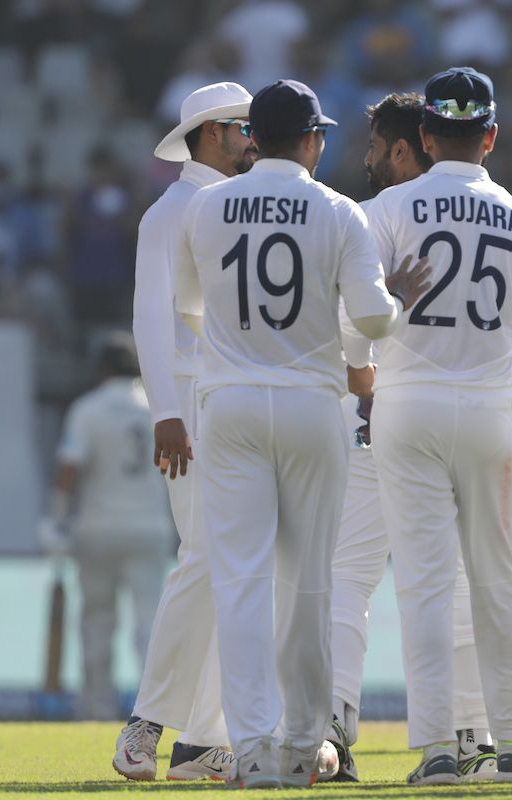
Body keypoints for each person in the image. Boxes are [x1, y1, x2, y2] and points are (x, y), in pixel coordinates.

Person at [172, 78, 427, 789]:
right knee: (311, 583)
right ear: (314, 139)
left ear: (254, 137)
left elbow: (190, 306)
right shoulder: (339, 210)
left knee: (241, 580)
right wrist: (398, 301)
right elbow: (373, 323)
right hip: (313, 408)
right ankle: (303, 743)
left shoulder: (208, 204)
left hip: (231, 406)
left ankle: (251, 745)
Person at [343, 66, 512, 786]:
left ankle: (439, 749)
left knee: (424, 582)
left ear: (426, 136)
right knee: (498, 581)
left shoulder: (387, 209)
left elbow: (358, 319)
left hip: (407, 405)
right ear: (492, 136)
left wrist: (362, 368)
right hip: (486, 409)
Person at [325, 91, 496, 782]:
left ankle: (331, 729)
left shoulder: (370, 217)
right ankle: (473, 737)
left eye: (373, 147)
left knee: (348, 577)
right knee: (455, 584)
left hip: (381, 422)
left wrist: (361, 369)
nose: (366, 160)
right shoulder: (498, 213)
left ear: (404, 148)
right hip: (470, 427)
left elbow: (341, 332)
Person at [115, 81, 256, 783]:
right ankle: (145, 724)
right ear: (209, 134)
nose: (252, 138)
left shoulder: (236, 202)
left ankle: (202, 742)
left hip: (236, 397)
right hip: (194, 401)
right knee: (206, 558)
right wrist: (166, 411)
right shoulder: (170, 210)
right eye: (242, 127)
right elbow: (150, 317)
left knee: (231, 566)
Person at [46, 333, 172, 722]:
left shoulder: (88, 408)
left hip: (97, 527)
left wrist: (55, 519)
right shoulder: (157, 407)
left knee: (97, 620)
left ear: (101, 369)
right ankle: (153, 712)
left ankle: (96, 708)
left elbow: (70, 466)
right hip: (150, 527)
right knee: (150, 623)